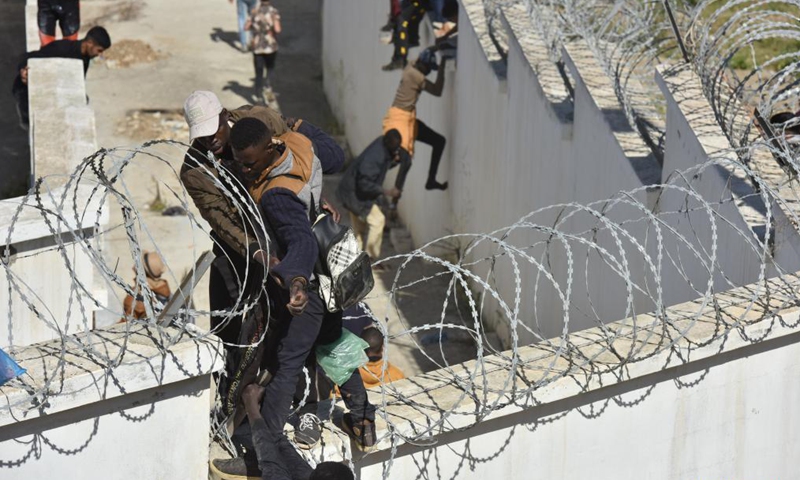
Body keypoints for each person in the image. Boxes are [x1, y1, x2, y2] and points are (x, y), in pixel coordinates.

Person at [180, 91, 343, 452]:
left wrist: (311, 198)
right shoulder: (194, 170)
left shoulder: (259, 119)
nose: (211, 141)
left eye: (214, 131)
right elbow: (223, 221)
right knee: (237, 336)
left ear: (226, 116)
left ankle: (304, 408)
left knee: (305, 323)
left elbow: (297, 156)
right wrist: (259, 253)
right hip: (241, 255)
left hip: (288, 234)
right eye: (201, 137)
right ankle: (238, 413)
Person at [227, 118, 376, 478]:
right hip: (329, 277)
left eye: (249, 163)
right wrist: (305, 125)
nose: (244, 169)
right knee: (331, 343)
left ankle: (268, 444)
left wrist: (294, 280)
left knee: (289, 360)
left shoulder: (276, 195)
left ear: (267, 150)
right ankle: (361, 417)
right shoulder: (297, 144)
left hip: (308, 285)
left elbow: (301, 240)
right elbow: (335, 156)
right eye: (239, 162)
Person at [212, 383, 355, 480]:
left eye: (315, 470)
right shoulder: (307, 475)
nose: (314, 467)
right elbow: (285, 451)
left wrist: (251, 404)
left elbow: (268, 456)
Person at [11, 25, 110, 130]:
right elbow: (26, 57)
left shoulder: (85, 58)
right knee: (31, 128)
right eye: (99, 50)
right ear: (89, 43)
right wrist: (23, 69)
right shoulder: (63, 49)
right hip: (25, 93)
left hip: (49, 91)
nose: (100, 54)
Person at [335, 130, 410, 264]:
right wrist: (387, 192)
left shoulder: (383, 143)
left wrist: (394, 160)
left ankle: (355, 262)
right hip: (356, 195)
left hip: (351, 191)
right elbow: (364, 183)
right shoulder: (375, 157)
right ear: (389, 145)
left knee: (359, 231)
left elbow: (380, 166)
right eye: (395, 148)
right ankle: (370, 259)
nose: (397, 150)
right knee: (378, 221)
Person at [382, 48, 449, 190]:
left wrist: (437, 45)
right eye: (428, 69)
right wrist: (442, 66)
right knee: (402, 159)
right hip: (401, 120)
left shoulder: (410, 66)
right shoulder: (416, 76)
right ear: (423, 65)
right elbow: (437, 90)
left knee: (439, 141)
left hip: (407, 119)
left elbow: (423, 55)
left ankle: (431, 180)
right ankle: (392, 195)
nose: (428, 73)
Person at [245, 0, 281, 104]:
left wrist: (254, 27)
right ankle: (268, 86)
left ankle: (258, 96)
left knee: (258, 72)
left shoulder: (254, 12)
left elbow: (246, 27)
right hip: (270, 45)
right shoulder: (274, 12)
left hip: (257, 46)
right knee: (270, 68)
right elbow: (278, 29)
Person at [121, 251, 171, 321]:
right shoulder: (165, 290)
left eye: (137, 265)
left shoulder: (137, 297)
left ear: (141, 272)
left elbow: (124, 324)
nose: (133, 267)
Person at [383, 0, 431, 71]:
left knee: (402, 26)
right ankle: (399, 58)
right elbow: (395, 5)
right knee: (400, 26)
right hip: (410, 5)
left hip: (417, 4)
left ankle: (401, 58)